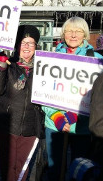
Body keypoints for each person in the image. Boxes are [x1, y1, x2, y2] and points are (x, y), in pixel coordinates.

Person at [42, 16, 103, 181]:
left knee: (79, 172)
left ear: (85, 34)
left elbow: (98, 98)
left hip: (82, 128)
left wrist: (75, 115)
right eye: (69, 31)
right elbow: (42, 90)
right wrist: (56, 116)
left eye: (78, 31)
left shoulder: (96, 60)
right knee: (54, 170)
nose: (73, 35)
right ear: (63, 34)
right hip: (55, 125)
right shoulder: (51, 57)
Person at [0, 25, 46, 181]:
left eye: (31, 42)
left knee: (22, 168)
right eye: (23, 42)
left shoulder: (44, 68)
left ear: (36, 46)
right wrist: (1, 67)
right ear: (17, 46)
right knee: (7, 165)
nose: (27, 46)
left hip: (30, 125)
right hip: (7, 124)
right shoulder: (10, 65)